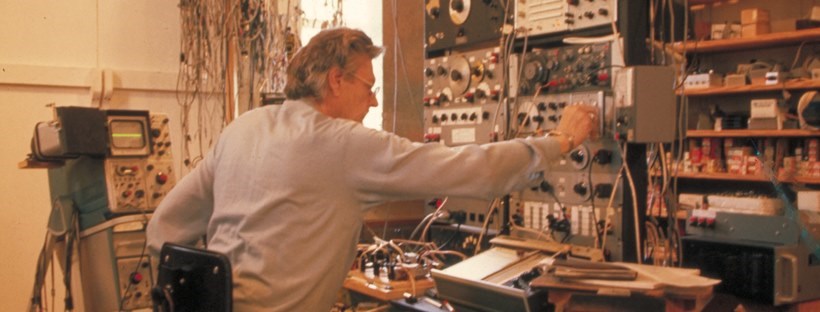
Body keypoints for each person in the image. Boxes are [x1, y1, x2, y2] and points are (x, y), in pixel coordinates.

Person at [147, 27, 599, 311]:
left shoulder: (240, 129)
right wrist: (559, 142)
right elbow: (470, 169)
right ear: (336, 81)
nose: (375, 100)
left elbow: (163, 228)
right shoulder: (343, 144)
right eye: (369, 86)